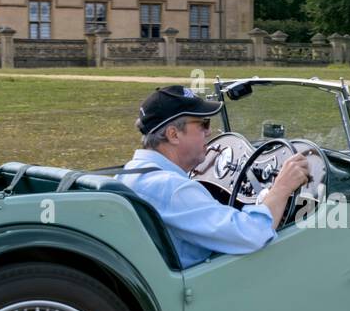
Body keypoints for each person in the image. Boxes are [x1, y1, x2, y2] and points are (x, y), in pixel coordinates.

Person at [118, 85, 311, 268]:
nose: (209, 132)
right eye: (203, 124)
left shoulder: (130, 173)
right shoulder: (173, 189)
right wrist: (281, 189)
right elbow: (252, 235)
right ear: (173, 135)